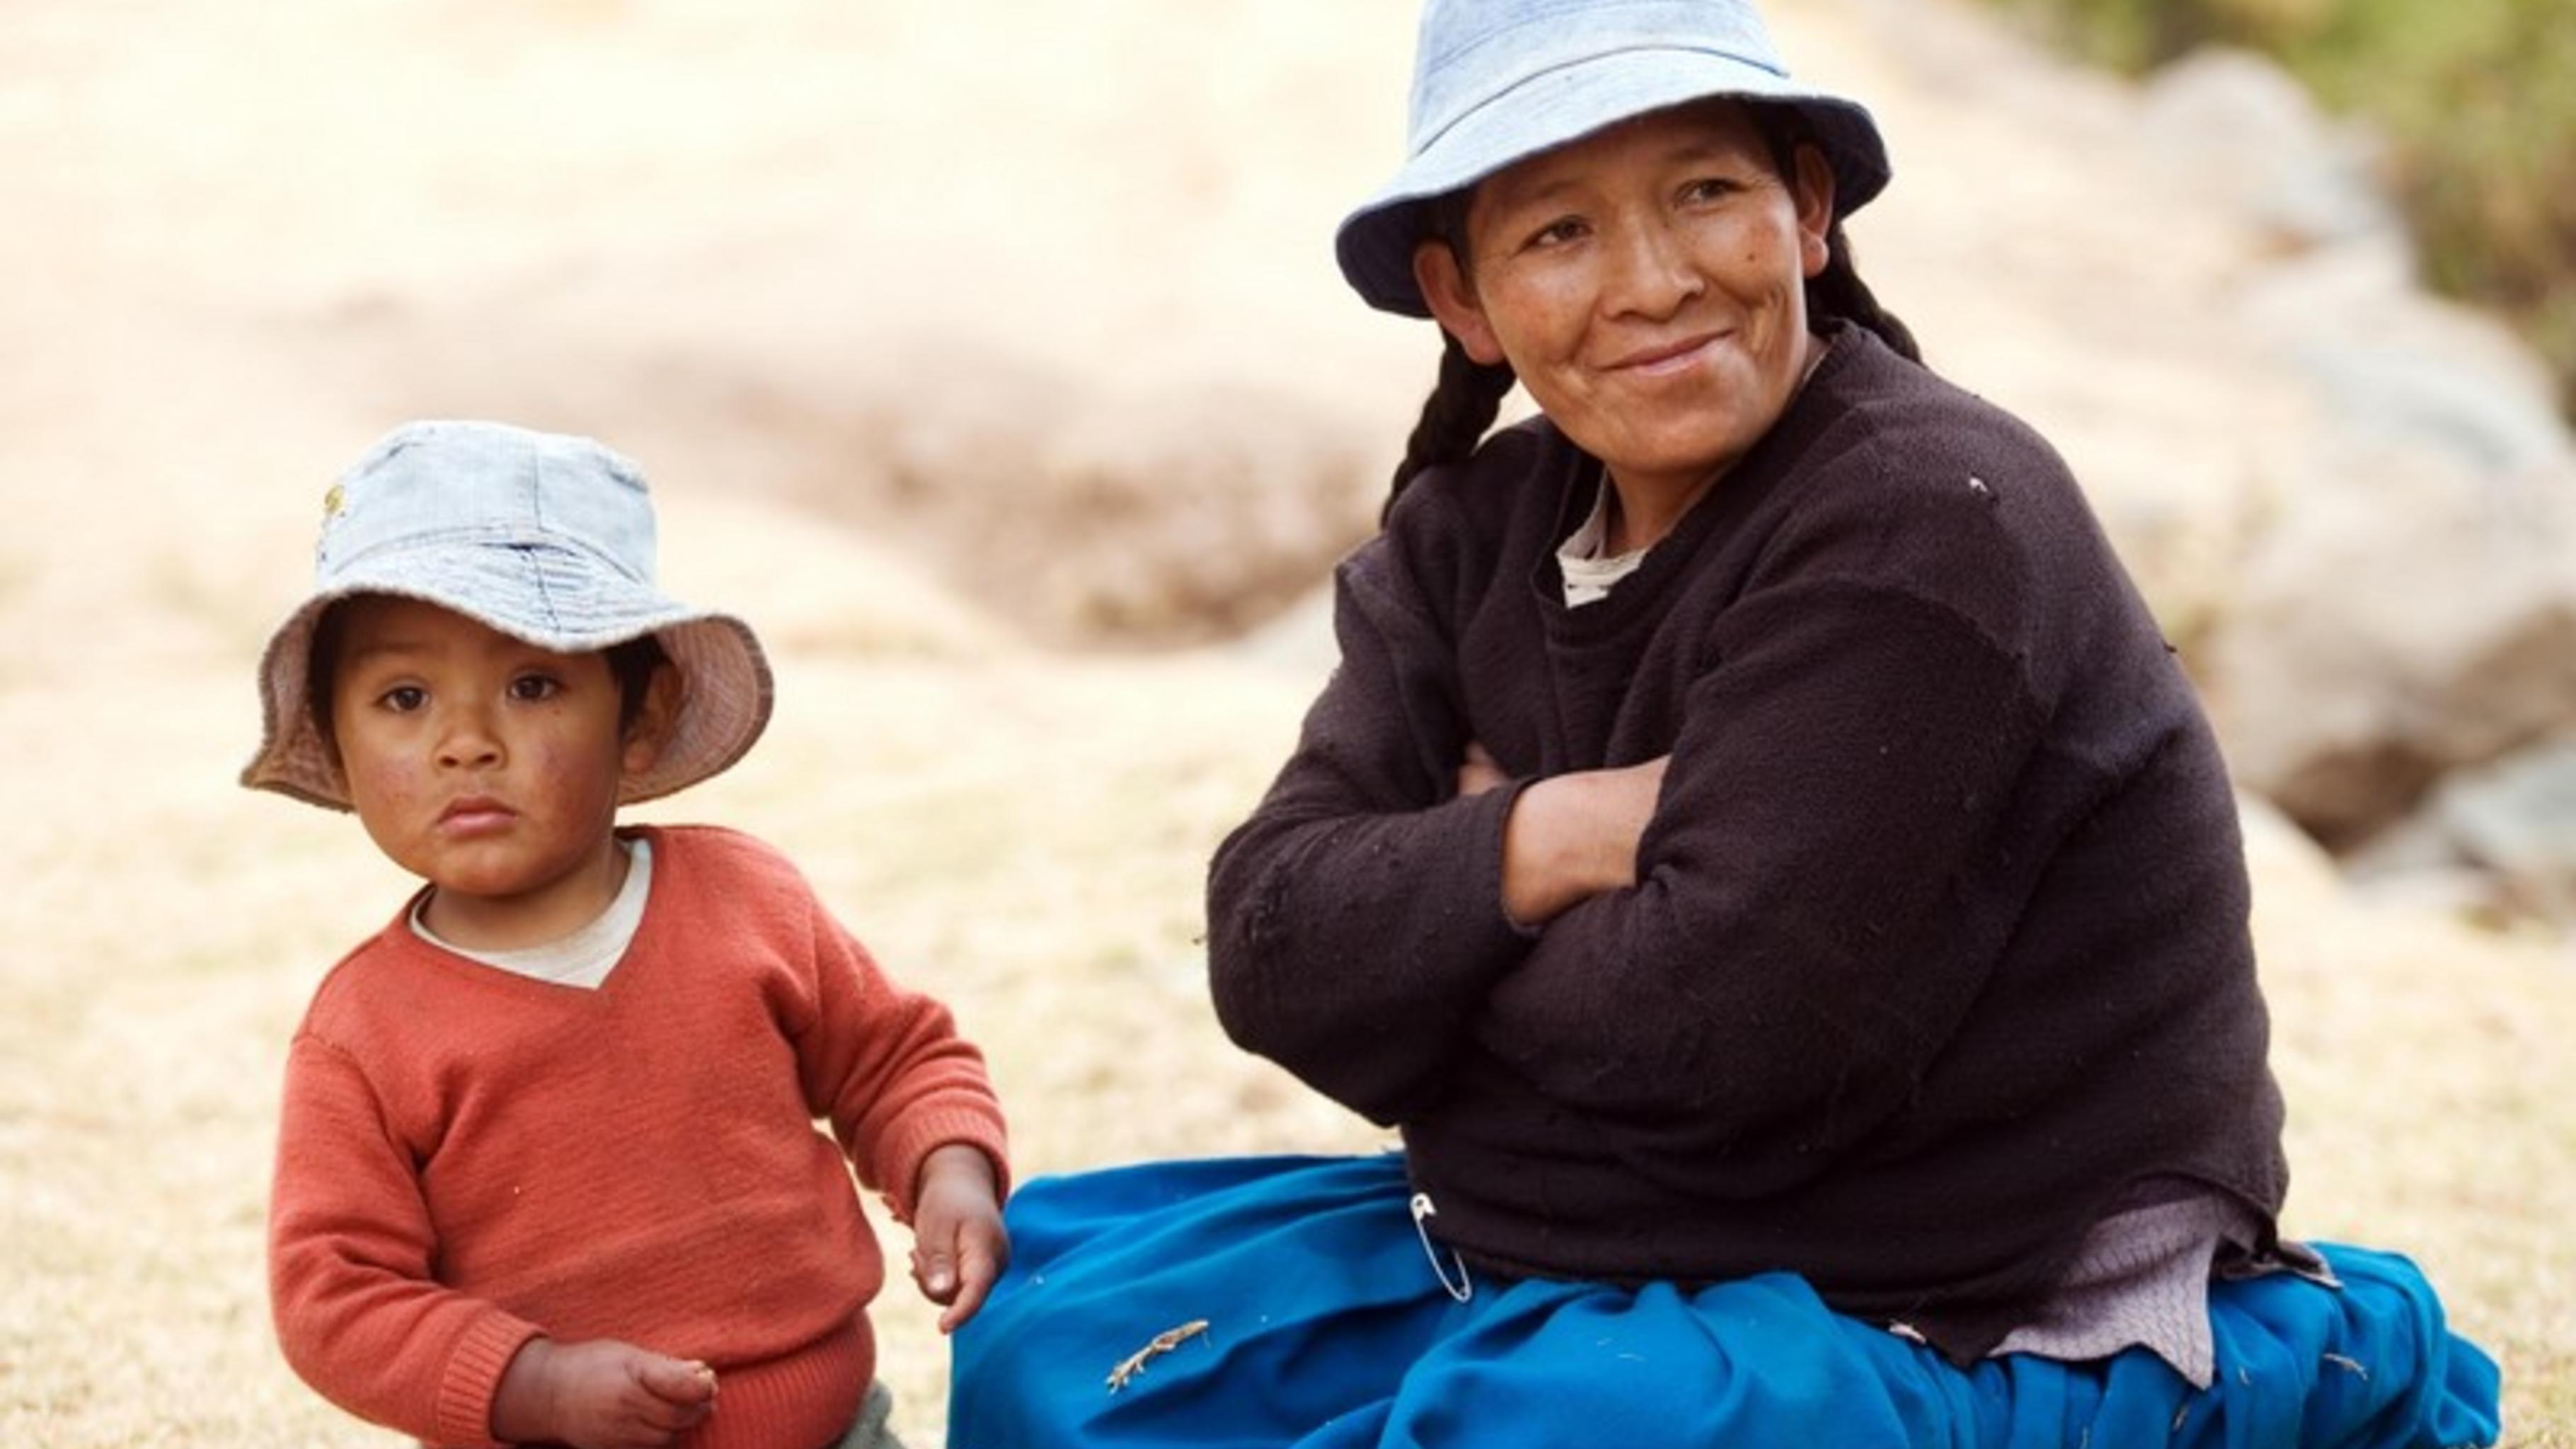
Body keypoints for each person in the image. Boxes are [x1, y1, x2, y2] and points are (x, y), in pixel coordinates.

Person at [946, 1, 2503, 1444]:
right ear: (1462, 298)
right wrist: (1548, 836)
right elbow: (1272, 948)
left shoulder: (1931, 520)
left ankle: (2294, 1366)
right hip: (1579, 1246)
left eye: (1702, 192)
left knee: (1537, 1429)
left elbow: (1720, 1052)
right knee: (1053, 1349)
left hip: (1959, 1292)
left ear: (1806, 211)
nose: (1650, 281)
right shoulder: (1470, 534)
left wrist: (1435, 928)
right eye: (1557, 230)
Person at [242, 420, 1010, 1449]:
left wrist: (948, 1169)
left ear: (638, 719)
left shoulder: (748, 901)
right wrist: (527, 1381)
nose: (466, 743)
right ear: (337, 747)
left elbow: (896, 1058)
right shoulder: (365, 1034)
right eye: (405, 698)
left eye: (532, 685)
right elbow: (333, 1295)